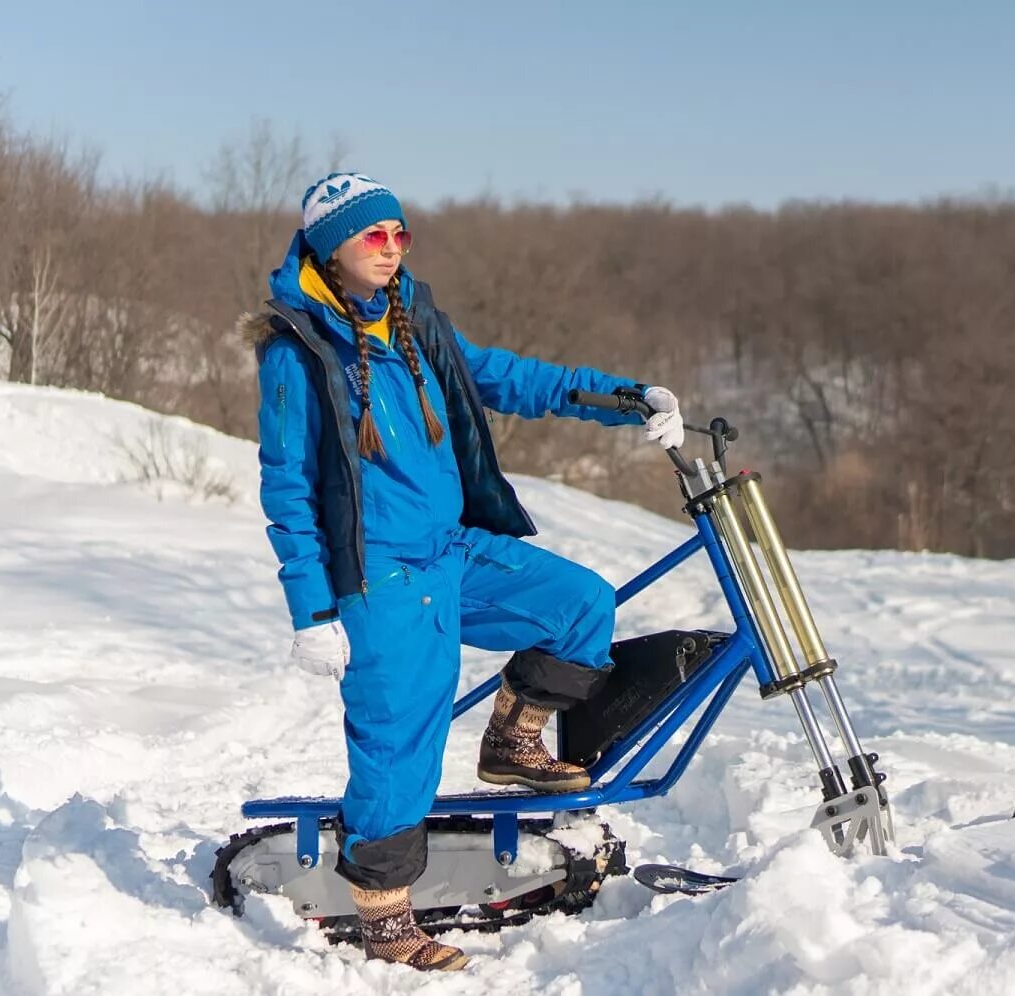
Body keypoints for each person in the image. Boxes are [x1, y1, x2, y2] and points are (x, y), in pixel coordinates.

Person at [239, 172, 683, 972]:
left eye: (401, 234)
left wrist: (625, 397)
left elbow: (512, 377)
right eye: (375, 236)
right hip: (380, 580)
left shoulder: (415, 324)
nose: (393, 248)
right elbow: (287, 490)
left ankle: (514, 740)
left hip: (453, 551)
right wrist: (312, 611)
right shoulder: (295, 353)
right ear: (330, 245)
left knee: (579, 605)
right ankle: (383, 917)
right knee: (401, 738)